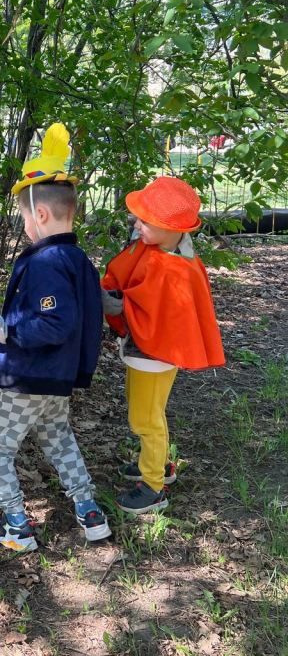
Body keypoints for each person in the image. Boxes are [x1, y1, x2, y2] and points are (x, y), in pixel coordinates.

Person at [0, 123, 111, 553]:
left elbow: (56, 323)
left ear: (40, 215)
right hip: (56, 377)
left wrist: (8, 331)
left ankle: (16, 524)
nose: (25, 226)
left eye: (23, 218)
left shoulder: (46, 262)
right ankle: (89, 511)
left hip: (25, 376)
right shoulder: (78, 259)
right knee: (57, 437)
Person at [101, 176, 225, 515]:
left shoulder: (176, 268)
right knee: (148, 410)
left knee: (145, 419)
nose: (136, 225)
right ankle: (159, 465)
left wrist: (115, 303)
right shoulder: (162, 248)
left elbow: (154, 310)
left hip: (155, 354)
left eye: (145, 221)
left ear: (170, 228)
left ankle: (153, 486)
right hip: (145, 349)